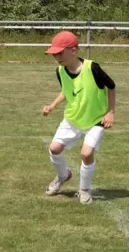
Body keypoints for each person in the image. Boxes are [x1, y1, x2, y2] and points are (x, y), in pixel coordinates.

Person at [42, 31, 116, 204]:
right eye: (54, 54)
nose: (57, 57)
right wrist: (53, 105)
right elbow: (68, 91)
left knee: (86, 153)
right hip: (73, 118)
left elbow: (111, 87)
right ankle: (63, 176)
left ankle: (84, 189)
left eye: (60, 52)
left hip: (96, 119)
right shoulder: (60, 71)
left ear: (74, 50)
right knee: (54, 148)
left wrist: (110, 112)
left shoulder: (93, 68)